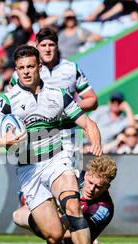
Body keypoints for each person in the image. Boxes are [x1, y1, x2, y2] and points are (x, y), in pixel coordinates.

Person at [0, 45, 104, 244]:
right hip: (28, 169)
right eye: (21, 68)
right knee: (55, 234)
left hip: (57, 159)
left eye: (30, 66)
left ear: (39, 66)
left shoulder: (58, 95)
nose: (26, 72)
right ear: (16, 71)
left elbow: (87, 122)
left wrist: (96, 141)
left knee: (72, 203)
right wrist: (2, 140)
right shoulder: (7, 100)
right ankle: (37, 232)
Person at [0, 156, 117, 244]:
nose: (92, 189)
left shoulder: (103, 209)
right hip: (58, 225)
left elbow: (68, 233)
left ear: (107, 187)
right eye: (90, 182)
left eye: (98, 187)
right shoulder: (73, 178)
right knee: (18, 215)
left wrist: (53, 220)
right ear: (86, 174)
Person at [10, 27, 99, 168]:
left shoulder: (71, 68)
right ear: (36, 46)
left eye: (51, 45)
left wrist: (66, 107)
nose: (47, 49)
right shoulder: (23, 72)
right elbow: (12, 105)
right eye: (43, 45)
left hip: (67, 134)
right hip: (35, 137)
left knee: (69, 178)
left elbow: (92, 100)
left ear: (57, 46)